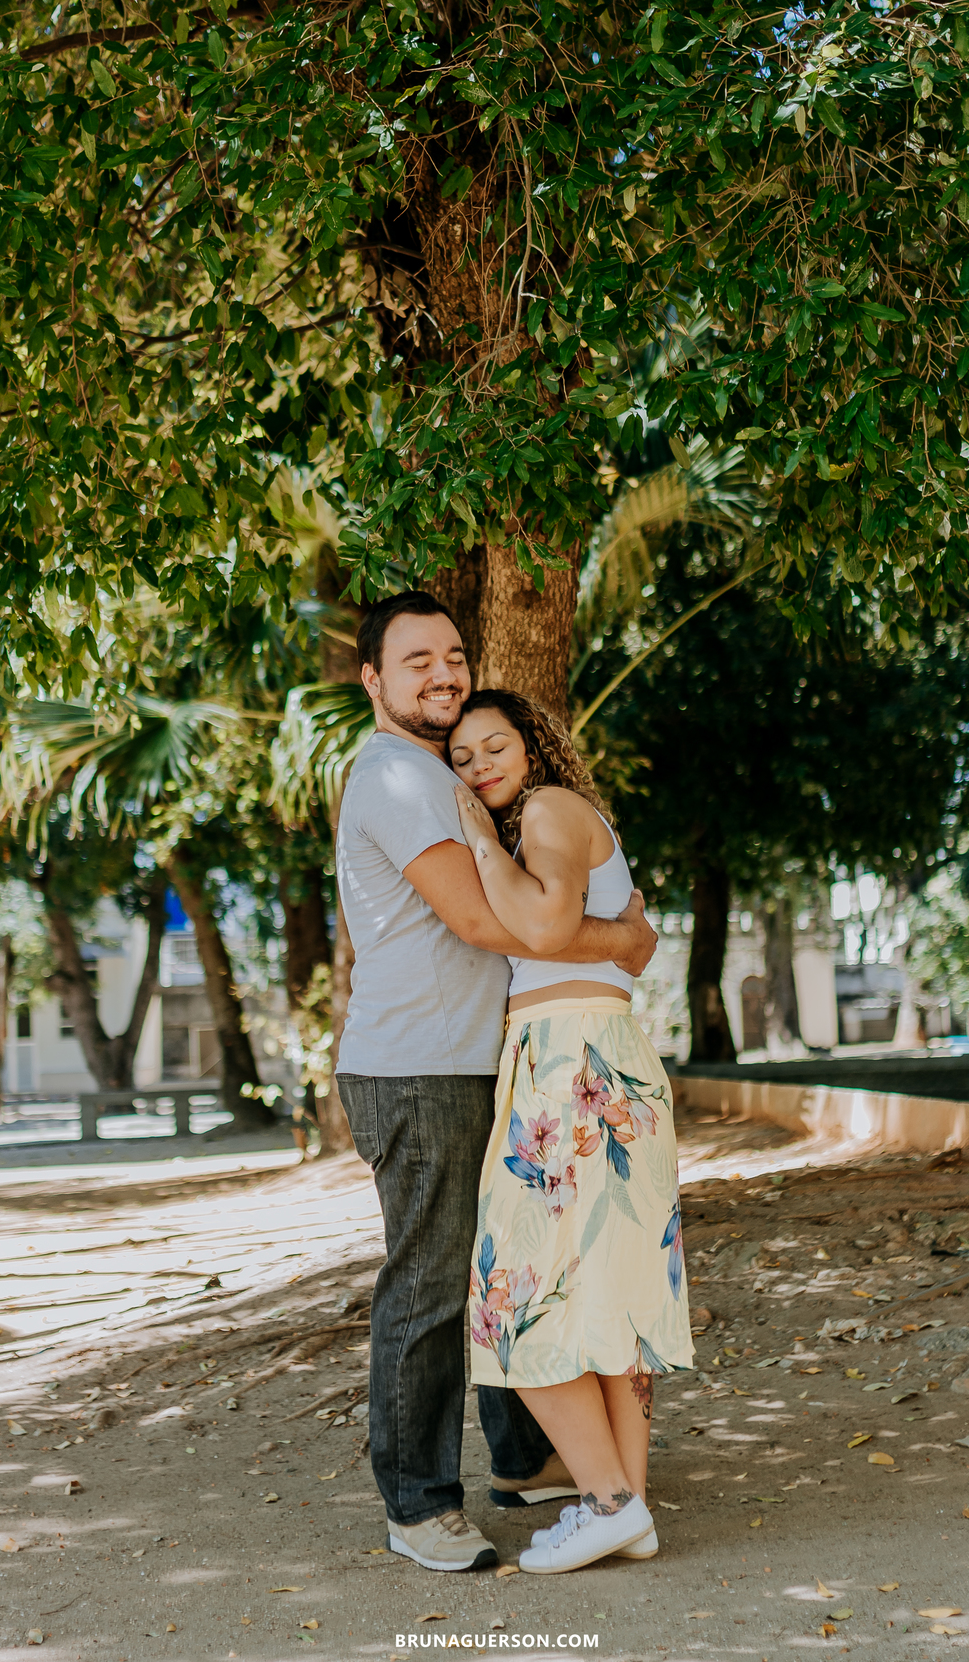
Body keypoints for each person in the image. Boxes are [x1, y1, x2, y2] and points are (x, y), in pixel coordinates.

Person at [334, 591, 659, 1574]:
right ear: (374, 681)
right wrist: (623, 941)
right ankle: (421, 1502)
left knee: (509, 1273)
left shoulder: (452, 772)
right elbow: (483, 921)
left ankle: (524, 1460)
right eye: (416, 660)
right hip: (419, 1066)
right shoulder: (394, 775)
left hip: (495, 1060)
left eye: (454, 654)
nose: (442, 672)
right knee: (433, 1288)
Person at [450, 688, 692, 1576]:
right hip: (595, 1055)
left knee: (509, 1299)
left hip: (569, 1063)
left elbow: (547, 923)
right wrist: (624, 939)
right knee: (613, 1304)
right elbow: (603, 936)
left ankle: (608, 1502)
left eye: (494, 746)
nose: (479, 766)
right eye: (463, 759)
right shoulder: (555, 820)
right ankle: (627, 1508)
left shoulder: (547, 808)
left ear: (534, 743)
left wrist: (476, 830)